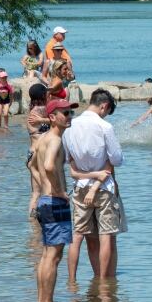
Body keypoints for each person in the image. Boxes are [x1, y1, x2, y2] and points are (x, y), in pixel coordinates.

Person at [63, 89, 125, 281]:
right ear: (104, 106)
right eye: (106, 111)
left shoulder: (69, 126)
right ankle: (105, 281)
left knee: (82, 235)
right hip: (103, 186)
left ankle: (73, 280)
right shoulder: (104, 126)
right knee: (106, 235)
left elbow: (68, 158)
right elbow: (117, 159)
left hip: (80, 186)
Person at [31, 99, 78, 302]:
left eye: (70, 113)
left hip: (44, 201)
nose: (69, 117)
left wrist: (42, 187)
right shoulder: (56, 140)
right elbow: (49, 166)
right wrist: (59, 191)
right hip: (54, 202)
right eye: (64, 113)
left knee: (47, 255)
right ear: (52, 117)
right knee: (54, 256)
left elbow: (31, 165)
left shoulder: (42, 138)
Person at [26, 84, 50, 218]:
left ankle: (33, 227)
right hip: (40, 155)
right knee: (46, 191)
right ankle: (41, 223)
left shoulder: (32, 109)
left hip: (32, 153)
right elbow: (57, 120)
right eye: (46, 93)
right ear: (42, 95)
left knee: (35, 193)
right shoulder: (41, 110)